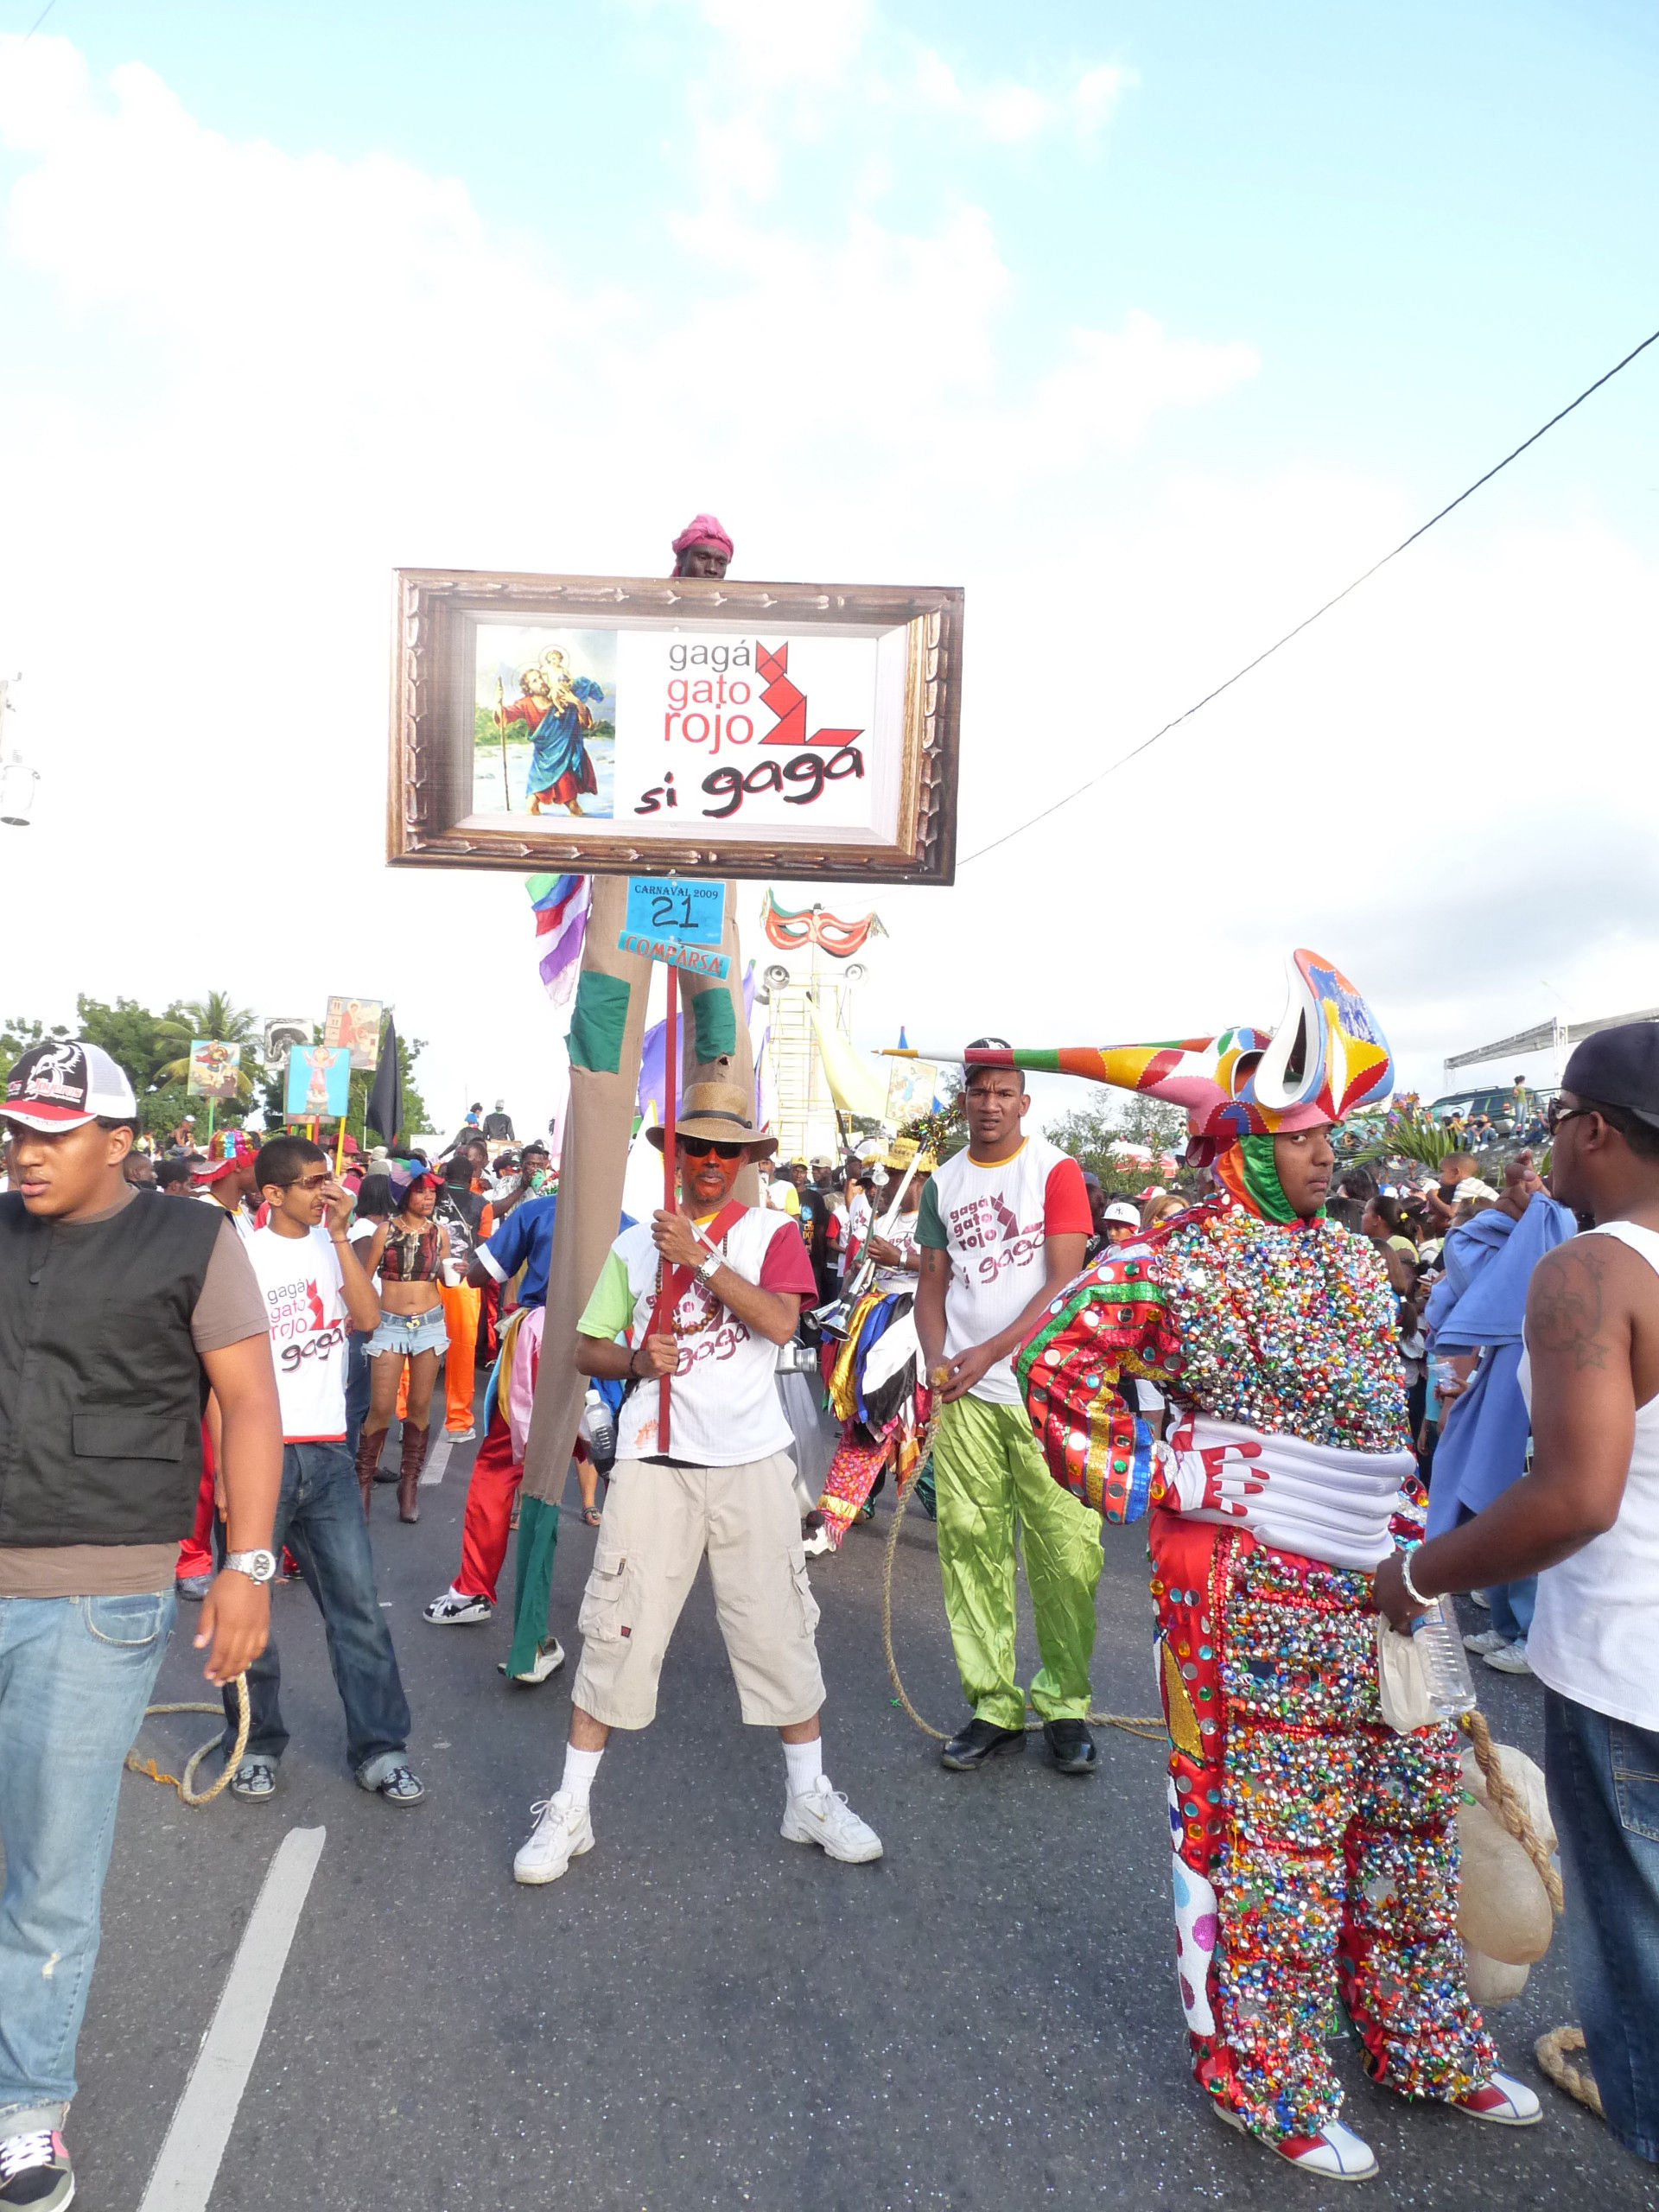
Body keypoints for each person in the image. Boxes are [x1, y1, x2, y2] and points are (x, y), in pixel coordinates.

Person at [1012, 955, 1537, 2179]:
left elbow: (1380, 1426)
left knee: (1409, 1821)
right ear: (1233, 1130)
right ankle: (1267, 2075)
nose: (1326, 1152)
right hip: (1253, 1593)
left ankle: (1419, 2033)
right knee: (1274, 1843)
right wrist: (1155, 1480)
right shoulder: (1170, 1261)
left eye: (1334, 1132)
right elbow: (1055, 1371)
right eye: (1304, 1130)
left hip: (1389, 1588)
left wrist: (1424, 1556)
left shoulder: (1358, 1259)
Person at [0, 1040, 282, 2209]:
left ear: (117, 1140)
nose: (24, 1153)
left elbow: (250, 1402)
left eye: (51, 1134)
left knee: (48, 1873)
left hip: (95, 1595)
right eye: (15, 1129)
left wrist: (246, 1565)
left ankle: (26, 2112)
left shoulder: (192, 1240)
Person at [1376, 1027, 1659, 2165]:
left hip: (1631, 1670)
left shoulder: (1590, 1273)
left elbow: (1578, 1496)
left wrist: (1415, 1574)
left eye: (1554, 1127)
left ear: (1593, 1128)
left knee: (1637, 1955)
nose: (1547, 1156)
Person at [512, 1082, 882, 1885]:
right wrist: (638, 1360)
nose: (711, 1163)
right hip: (654, 1462)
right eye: (697, 1149)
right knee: (617, 1629)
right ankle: (571, 1809)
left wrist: (703, 1259)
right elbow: (586, 1349)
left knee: (779, 1631)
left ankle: (808, 1797)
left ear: (747, 1161)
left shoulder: (771, 1233)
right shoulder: (632, 1249)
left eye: (727, 1151)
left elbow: (782, 1324)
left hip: (751, 1462)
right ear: (673, 1157)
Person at [913, 1043, 1103, 1776]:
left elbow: (1063, 1283)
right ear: (963, 1100)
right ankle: (993, 1706)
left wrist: (991, 1352)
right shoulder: (943, 1183)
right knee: (969, 1547)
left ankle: (1064, 1704)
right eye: (977, 1091)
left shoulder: (1053, 1172)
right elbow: (934, 1284)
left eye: (1003, 1092)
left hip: (1049, 1392)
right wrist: (937, 1358)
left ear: (1025, 1103)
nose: (989, 1103)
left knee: (1066, 1554)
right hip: (966, 1397)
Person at [224, 1135, 422, 1807]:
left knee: (358, 1610)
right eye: (312, 1183)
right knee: (250, 1613)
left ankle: (381, 1749)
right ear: (272, 1193)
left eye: (329, 1180)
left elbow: (367, 1319)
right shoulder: (239, 1254)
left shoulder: (330, 1243)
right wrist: (225, 1476)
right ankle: (255, 1745)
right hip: (261, 1458)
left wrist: (340, 1238)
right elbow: (216, 1375)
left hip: (330, 1456)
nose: (326, 1191)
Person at [1421, 1153, 1575, 1678]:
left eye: (1523, 1201)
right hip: (1493, 1397)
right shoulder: (1499, 1268)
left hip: (1530, 1416)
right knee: (1495, 1510)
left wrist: (1535, 1207)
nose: (1514, 1202)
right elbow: (1465, 1251)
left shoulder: (1561, 1266)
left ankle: (1528, 1633)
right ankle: (1508, 1625)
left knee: (1521, 1517)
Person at [808, 1144, 935, 1552]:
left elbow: (952, 1269)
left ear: (918, 1177)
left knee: (906, 1426)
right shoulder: (881, 1212)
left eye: (896, 1174)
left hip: (911, 1327)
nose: (887, 1182)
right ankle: (831, 1522)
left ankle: (965, 1522)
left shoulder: (938, 1217)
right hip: (873, 1322)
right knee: (869, 1424)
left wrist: (903, 1258)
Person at [354, 1168, 451, 1520]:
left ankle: (408, 1486)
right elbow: (364, 1279)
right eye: (422, 1192)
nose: (428, 1199)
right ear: (406, 1194)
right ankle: (363, 1481)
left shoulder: (440, 1233)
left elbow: (445, 1276)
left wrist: (454, 1271)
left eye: (433, 1194)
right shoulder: (385, 1231)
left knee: (421, 1405)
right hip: (389, 1324)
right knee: (380, 1406)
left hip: (429, 1324)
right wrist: (358, 1316)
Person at [434, 1154, 492, 1440]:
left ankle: (407, 1417)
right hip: (463, 1282)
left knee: (416, 1348)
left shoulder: (430, 1196)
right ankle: (457, 1423)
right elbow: (484, 1250)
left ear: (445, 1174)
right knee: (461, 1353)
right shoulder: (483, 1205)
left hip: (427, 1279)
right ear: (472, 1178)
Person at [345, 1171, 395, 1459]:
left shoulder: (362, 1228)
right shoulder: (366, 1233)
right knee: (360, 1400)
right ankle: (354, 1462)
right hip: (365, 1325)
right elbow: (363, 1282)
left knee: (365, 1399)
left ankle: (365, 1462)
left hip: (365, 1323)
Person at [671, 512, 733, 579]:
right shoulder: (660, 588)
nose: (712, 569)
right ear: (680, 558)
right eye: (702, 558)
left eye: (721, 563)